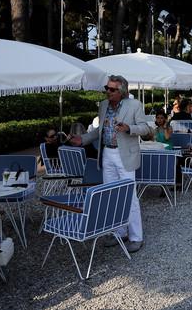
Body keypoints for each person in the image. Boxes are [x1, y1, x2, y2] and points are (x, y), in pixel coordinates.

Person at [69, 75, 151, 253]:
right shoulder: (104, 105)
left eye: (112, 89)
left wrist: (129, 128)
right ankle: (119, 233)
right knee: (111, 194)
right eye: (107, 88)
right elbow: (100, 130)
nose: (108, 92)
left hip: (125, 156)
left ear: (122, 92)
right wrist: (82, 139)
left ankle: (136, 237)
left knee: (129, 197)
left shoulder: (135, 105)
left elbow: (145, 128)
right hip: (107, 153)